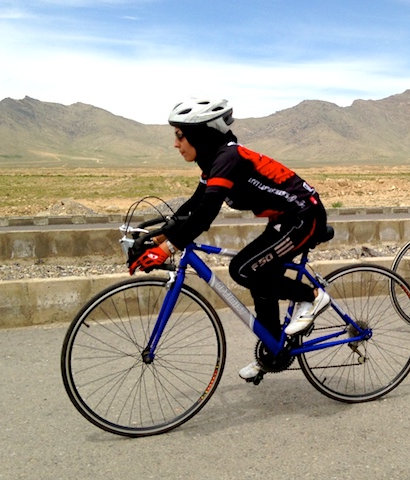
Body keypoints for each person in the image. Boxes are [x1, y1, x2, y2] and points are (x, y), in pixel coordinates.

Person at [128, 97, 331, 380]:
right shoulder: (213, 163)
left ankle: (313, 297)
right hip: (284, 219)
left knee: (244, 268)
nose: (176, 144)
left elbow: (206, 214)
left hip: (303, 216)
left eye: (180, 135)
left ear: (200, 133)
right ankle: (274, 350)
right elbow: (194, 206)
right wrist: (158, 236)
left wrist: (167, 248)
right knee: (259, 277)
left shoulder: (228, 158)